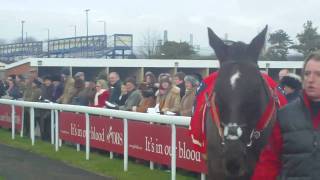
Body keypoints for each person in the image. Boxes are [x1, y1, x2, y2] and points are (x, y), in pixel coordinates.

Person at [253, 50, 320, 180]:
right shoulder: (284, 116)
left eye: (318, 74)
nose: (311, 79)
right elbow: (268, 163)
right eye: (307, 74)